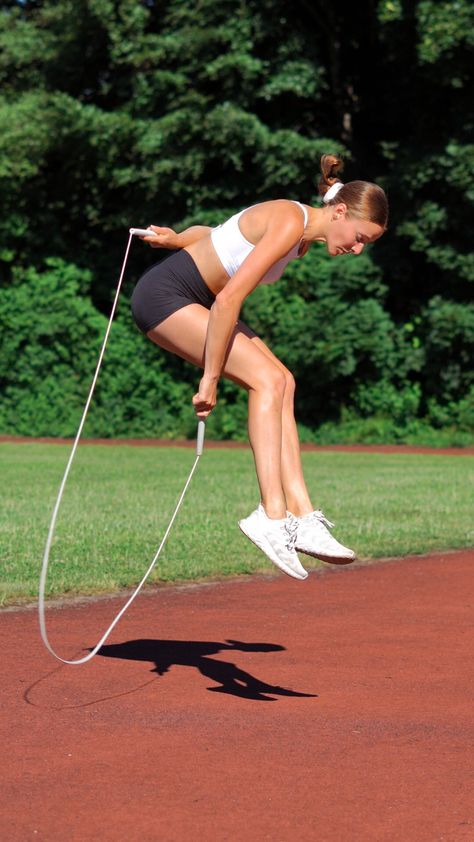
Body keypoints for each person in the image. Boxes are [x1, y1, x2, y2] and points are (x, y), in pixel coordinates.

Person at [131, 154, 388, 581]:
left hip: (193, 299)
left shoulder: (301, 239)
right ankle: (270, 517)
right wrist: (209, 378)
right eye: (359, 237)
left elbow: (218, 235)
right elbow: (229, 299)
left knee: (284, 381)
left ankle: (302, 517)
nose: (357, 249)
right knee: (266, 380)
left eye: (367, 244)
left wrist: (179, 239)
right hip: (165, 298)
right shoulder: (290, 220)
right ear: (339, 211)